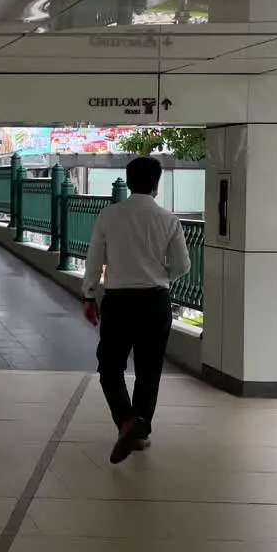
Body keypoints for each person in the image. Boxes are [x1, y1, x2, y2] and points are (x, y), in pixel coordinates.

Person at [82, 156, 191, 465]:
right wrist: (159, 277)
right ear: (156, 184)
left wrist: (89, 297)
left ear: (128, 182)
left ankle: (126, 419)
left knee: (110, 367)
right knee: (149, 369)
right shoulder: (169, 220)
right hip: (155, 302)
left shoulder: (109, 215)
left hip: (118, 301)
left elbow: (94, 260)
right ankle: (139, 431)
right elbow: (183, 265)